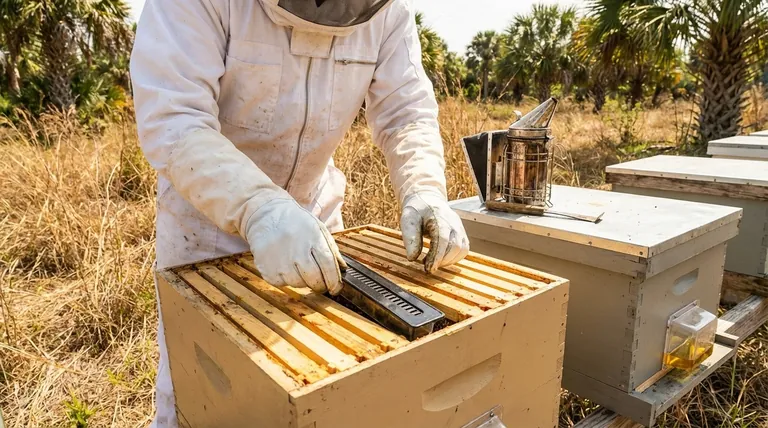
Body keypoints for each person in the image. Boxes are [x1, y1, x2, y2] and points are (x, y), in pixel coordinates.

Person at [130, 0, 470, 425]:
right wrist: (259, 207)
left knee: (336, 376)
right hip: (206, 222)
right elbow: (175, 118)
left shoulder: (388, 13)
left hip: (316, 218)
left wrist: (424, 189)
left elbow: (407, 114)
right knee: (202, 386)